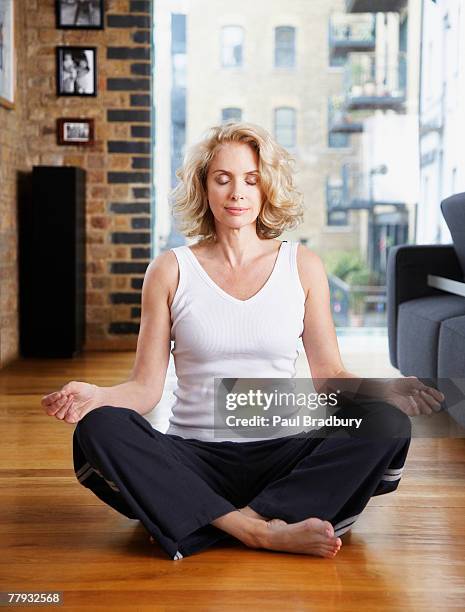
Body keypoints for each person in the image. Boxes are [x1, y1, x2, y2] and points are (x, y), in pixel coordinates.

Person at [41, 122, 443, 561]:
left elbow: (328, 378)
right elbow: (145, 389)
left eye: (251, 179)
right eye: (223, 178)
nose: (237, 192)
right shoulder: (170, 270)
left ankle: (194, 518)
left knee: (386, 422)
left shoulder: (302, 265)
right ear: (205, 187)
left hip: (283, 454)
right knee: (100, 428)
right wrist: (98, 395)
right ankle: (259, 529)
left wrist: (386, 390)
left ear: (266, 188)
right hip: (193, 458)